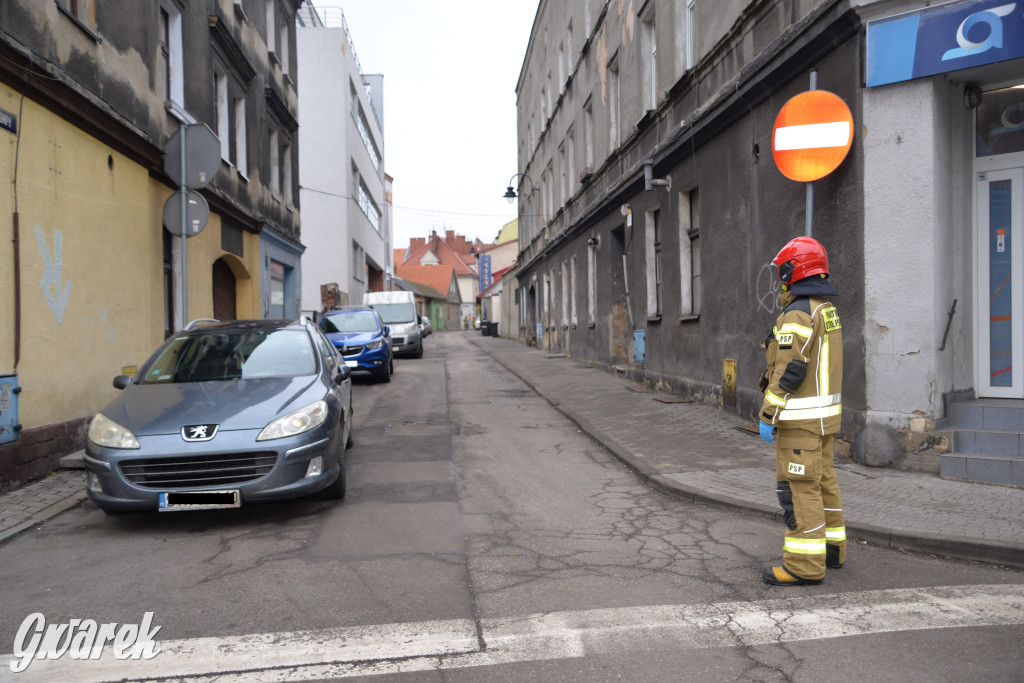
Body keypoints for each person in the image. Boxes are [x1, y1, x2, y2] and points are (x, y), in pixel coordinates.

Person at [758, 236, 846, 586]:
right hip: (825, 419)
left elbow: (789, 371)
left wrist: (768, 414)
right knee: (824, 481)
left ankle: (804, 566)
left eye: (783, 269)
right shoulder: (826, 309)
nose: (780, 276)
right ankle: (832, 549)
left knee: (799, 488)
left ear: (794, 270)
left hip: (800, 422)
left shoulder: (797, 312)